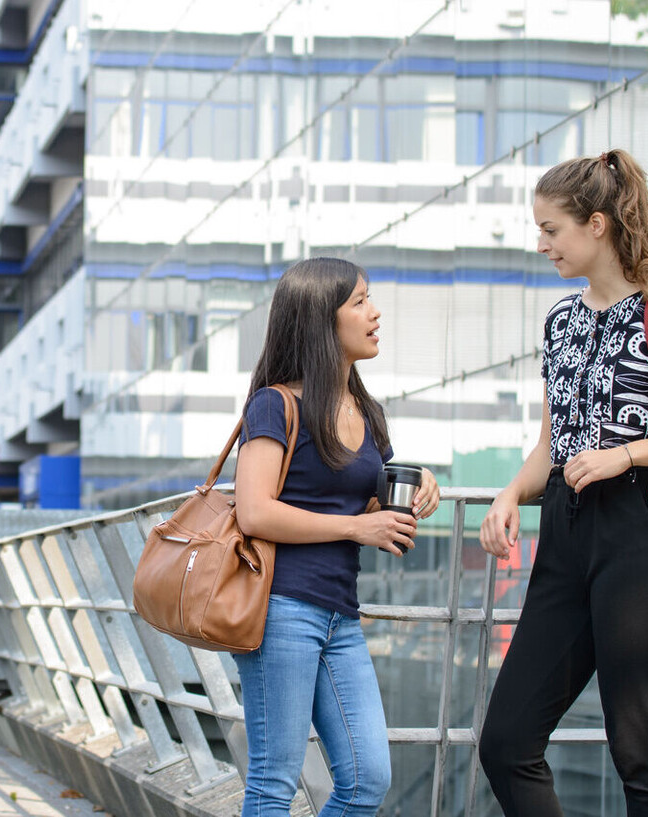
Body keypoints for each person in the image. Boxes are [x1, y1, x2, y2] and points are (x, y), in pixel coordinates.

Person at [476, 149, 648, 816]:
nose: (542, 245)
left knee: (639, 751)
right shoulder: (561, 323)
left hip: (643, 535)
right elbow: (554, 443)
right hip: (567, 536)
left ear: (597, 225)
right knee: (506, 739)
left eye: (552, 230)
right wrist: (512, 491)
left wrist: (627, 456)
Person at [231, 257, 441, 817]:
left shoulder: (365, 410)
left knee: (367, 778)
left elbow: (367, 500)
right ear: (323, 319)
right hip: (280, 610)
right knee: (275, 780)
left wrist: (416, 486)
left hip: (339, 615)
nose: (375, 313)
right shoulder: (275, 404)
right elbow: (253, 512)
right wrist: (356, 527)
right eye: (360, 302)